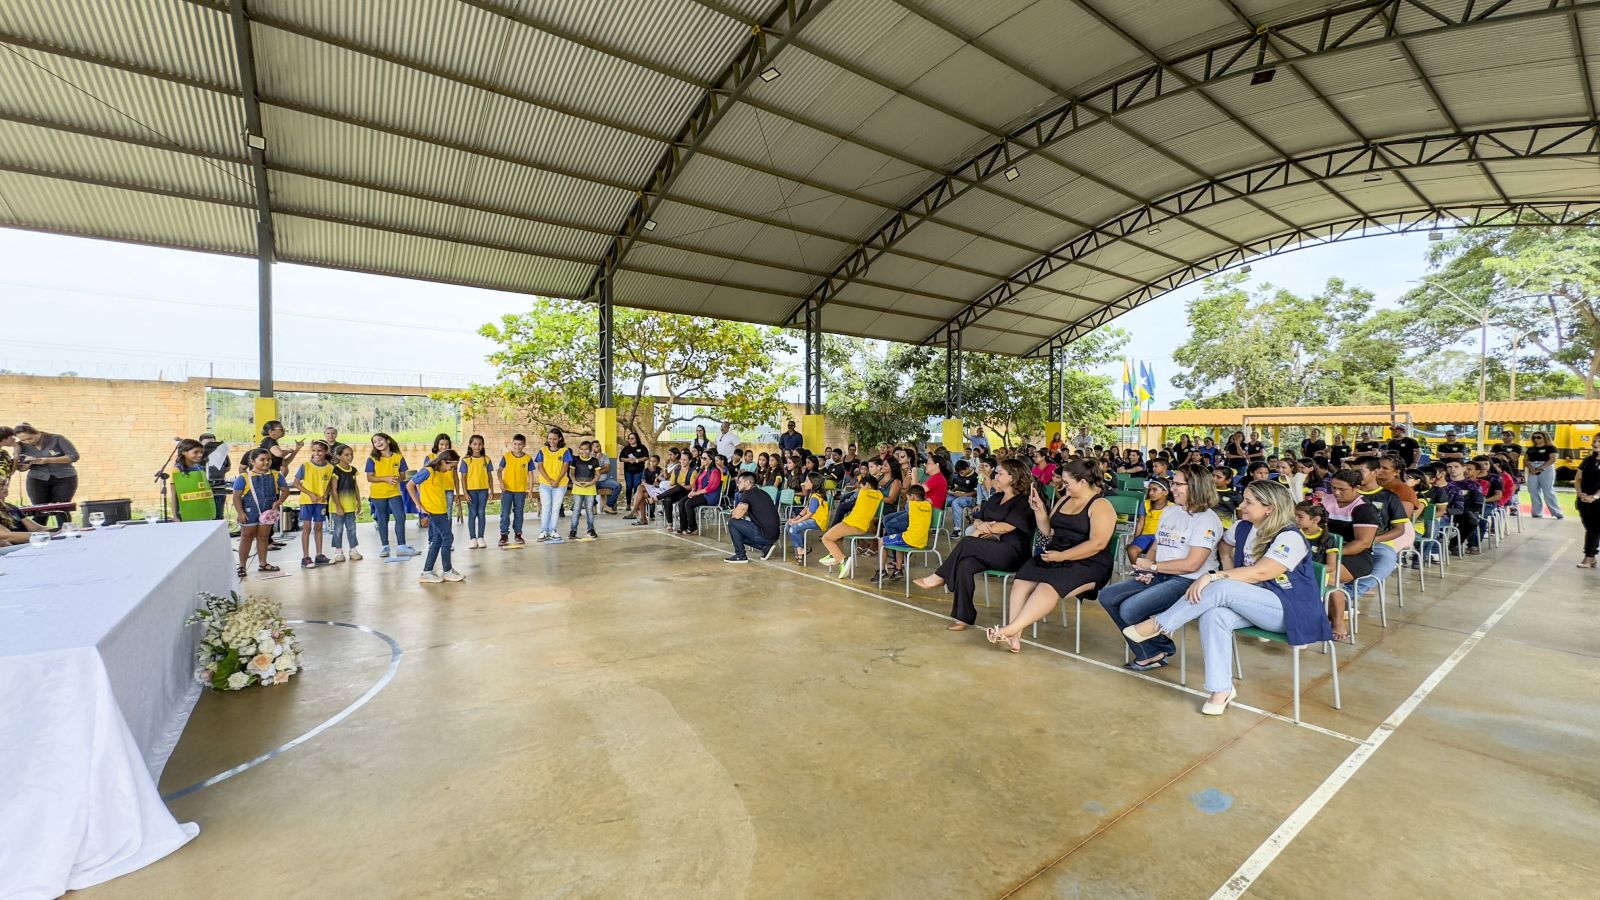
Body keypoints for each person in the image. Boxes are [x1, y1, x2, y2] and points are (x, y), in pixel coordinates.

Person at [1122, 480, 1330, 714]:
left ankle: (1161, 623)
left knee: (1221, 586)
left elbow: (1263, 572)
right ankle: (1221, 690)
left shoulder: (1289, 537)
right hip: (1253, 603)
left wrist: (1213, 576)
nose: (1242, 505)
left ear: (1269, 508)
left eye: (1249, 502)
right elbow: (1224, 544)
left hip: (1289, 611)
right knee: (1214, 615)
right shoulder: (1243, 527)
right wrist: (1228, 564)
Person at [1100, 464, 1224, 670]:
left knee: (1130, 609)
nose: (1173, 488)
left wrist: (1154, 567)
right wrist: (1147, 569)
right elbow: (1157, 545)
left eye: (1177, 484)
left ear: (1195, 486)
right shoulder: (1171, 511)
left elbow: (1192, 564)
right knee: (1108, 596)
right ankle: (1152, 650)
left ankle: (1156, 648)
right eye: (1173, 483)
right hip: (1161, 574)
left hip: (1189, 581)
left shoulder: (1207, 519)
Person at [987, 458, 1116, 652]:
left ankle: (1011, 630)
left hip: (1089, 562)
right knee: (1021, 580)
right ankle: (1015, 638)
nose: (1063, 486)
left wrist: (1062, 557)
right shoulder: (1064, 499)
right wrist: (1039, 510)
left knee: (1047, 587)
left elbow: (1097, 544)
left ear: (1082, 482)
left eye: (1067, 483)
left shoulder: (1101, 505)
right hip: (1056, 554)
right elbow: (1048, 531)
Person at [914, 459, 1035, 631]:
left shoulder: (1023, 501)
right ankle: (963, 617)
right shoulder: (996, 497)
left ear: (1013, 477)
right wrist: (979, 525)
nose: (996, 475)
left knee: (969, 541)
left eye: (1001, 473)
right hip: (990, 547)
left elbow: (1009, 526)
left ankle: (940, 576)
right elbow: (978, 516)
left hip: (1012, 552)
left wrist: (984, 529)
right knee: (965, 565)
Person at [1320, 469, 1383, 640]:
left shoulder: (1364, 510)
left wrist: (1331, 553)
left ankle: (1338, 621)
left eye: (1342, 489)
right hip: (1327, 551)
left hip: (1356, 557)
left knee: (1328, 577)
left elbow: (1363, 543)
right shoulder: (1326, 501)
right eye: (1333, 488)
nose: (1336, 492)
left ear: (1356, 488)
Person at [1295, 500, 1352, 641]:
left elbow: (1331, 566)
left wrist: (1309, 571)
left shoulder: (1328, 539)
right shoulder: (1293, 534)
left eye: (1300, 517)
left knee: (1335, 590)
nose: (1296, 520)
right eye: (1295, 516)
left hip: (1318, 575)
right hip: (1295, 573)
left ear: (1315, 520)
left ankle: (1338, 622)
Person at [408, 449, 464, 583]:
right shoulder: (428, 471)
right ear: (444, 462)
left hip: (441, 511)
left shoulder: (439, 473)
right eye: (451, 467)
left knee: (437, 541)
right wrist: (419, 505)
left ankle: (427, 572)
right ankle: (447, 571)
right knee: (448, 537)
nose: (451, 470)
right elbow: (410, 485)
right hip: (433, 512)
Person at [818, 474, 883, 579]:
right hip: (862, 527)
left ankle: (842, 560)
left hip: (851, 524)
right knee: (836, 536)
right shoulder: (879, 495)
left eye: (861, 486)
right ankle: (835, 555)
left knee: (826, 538)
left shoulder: (862, 492)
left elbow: (851, 498)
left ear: (866, 485)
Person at [233, 448, 286, 577]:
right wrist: (240, 513)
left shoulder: (276, 475)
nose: (266, 462)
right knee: (246, 537)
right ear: (252, 461)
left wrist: (279, 501)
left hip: (268, 512)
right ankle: (241, 566)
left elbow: (285, 490)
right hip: (249, 512)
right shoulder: (244, 477)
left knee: (263, 537)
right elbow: (236, 496)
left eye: (268, 459)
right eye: (262, 460)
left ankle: (263, 564)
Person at [13, 423, 80, 521]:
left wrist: (47, 460)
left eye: (30, 438)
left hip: (64, 477)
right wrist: (27, 462)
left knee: (61, 509)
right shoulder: (20, 446)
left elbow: (74, 456)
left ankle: (66, 532)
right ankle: (39, 534)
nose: (27, 442)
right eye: (23, 440)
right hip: (37, 479)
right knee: (40, 510)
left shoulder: (57, 439)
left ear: (37, 433)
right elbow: (21, 469)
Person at [365, 433, 416, 558]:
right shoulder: (372, 459)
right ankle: (385, 547)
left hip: (394, 492)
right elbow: (369, 477)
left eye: (380, 440)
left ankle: (401, 546)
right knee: (383, 519)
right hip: (378, 494)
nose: (378, 443)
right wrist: (386, 479)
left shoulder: (398, 457)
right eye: (375, 442)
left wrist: (398, 478)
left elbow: (404, 475)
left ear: (387, 441)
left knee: (400, 517)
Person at [877, 484, 934, 581]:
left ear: (913, 497)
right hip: (922, 541)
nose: (907, 501)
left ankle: (882, 571)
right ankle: (898, 570)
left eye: (908, 498)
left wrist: (909, 502)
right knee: (900, 535)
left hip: (911, 539)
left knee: (881, 541)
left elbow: (908, 507)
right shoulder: (928, 505)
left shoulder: (911, 505)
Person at [293, 440, 334, 568]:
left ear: (326, 451)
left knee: (319, 527)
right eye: (314, 450)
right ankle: (305, 557)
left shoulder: (330, 468)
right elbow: (296, 483)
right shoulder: (305, 466)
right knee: (307, 528)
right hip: (307, 501)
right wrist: (310, 494)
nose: (317, 453)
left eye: (320, 450)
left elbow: (330, 486)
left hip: (321, 502)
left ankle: (319, 555)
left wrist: (326, 494)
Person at [725, 471, 781, 563]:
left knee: (733, 523)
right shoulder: (761, 492)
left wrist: (735, 511)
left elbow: (737, 515)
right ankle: (765, 547)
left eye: (739, 482)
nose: (737, 485)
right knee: (738, 534)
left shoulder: (747, 494)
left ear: (747, 483)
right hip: (774, 534)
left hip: (765, 535)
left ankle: (740, 555)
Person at [534, 428, 573, 543]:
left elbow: (565, 467)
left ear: (560, 438)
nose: (552, 441)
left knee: (555, 508)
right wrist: (549, 480)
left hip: (560, 484)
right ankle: (544, 531)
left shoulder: (565, 451)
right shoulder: (543, 450)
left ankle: (553, 530)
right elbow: (540, 466)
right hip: (545, 484)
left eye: (554, 439)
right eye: (550, 438)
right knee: (546, 507)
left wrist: (557, 481)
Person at [327, 443, 362, 562]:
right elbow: (334, 490)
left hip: (350, 505)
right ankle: (338, 551)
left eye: (351, 455)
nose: (350, 457)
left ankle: (353, 549)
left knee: (352, 528)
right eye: (346, 455)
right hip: (338, 507)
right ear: (339, 456)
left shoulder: (353, 470)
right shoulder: (336, 470)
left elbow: (356, 487)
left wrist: (358, 502)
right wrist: (338, 506)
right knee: (338, 529)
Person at [458, 435, 493, 549]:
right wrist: (465, 493)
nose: (477, 446)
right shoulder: (466, 460)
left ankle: (481, 537)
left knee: (481, 513)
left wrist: (491, 490)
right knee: (472, 514)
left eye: (480, 444)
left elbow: (490, 477)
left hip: (483, 490)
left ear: (483, 445)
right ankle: (472, 538)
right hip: (471, 491)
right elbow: (463, 478)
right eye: (475, 444)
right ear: (470, 445)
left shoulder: (486, 459)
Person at [785, 473, 829, 564]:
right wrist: (795, 519)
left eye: (807, 481)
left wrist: (796, 522)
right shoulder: (812, 494)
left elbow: (809, 514)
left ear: (814, 483)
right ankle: (801, 548)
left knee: (793, 528)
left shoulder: (816, 496)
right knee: (789, 526)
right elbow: (805, 509)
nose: (804, 483)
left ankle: (800, 550)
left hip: (818, 521)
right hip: (812, 519)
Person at [170, 438, 217, 522]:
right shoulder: (177, 470)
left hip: (202, 511)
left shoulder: (198, 468)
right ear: (184, 452)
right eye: (195, 452)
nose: (199, 455)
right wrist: (175, 516)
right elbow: (173, 494)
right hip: (185, 512)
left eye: (201, 452)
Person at [497, 434, 532, 546]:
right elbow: (499, 471)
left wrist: (530, 489)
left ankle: (518, 534)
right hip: (507, 490)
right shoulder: (506, 456)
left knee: (518, 512)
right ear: (512, 444)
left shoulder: (527, 458)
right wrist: (501, 482)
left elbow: (531, 475)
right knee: (505, 513)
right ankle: (504, 535)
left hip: (520, 491)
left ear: (524, 445)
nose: (517, 447)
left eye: (520, 444)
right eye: (515, 444)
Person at [1126, 477, 1170, 565]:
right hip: (1145, 536)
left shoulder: (1172, 507)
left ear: (1165, 492)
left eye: (1154, 490)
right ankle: (1140, 571)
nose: (1150, 493)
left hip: (1161, 537)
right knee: (1132, 550)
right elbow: (1140, 523)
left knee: (1155, 554)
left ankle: (1152, 573)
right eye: (1150, 490)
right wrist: (1136, 539)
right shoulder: (1145, 504)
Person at [678, 453, 724, 535]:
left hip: (710, 496)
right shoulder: (702, 470)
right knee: (681, 502)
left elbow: (711, 488)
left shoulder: (715, 471)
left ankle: (693, 527)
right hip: (700, 494)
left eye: (704, 458)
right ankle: (683, 526)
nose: (702, 459)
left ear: (710, 460)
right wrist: (693, 491)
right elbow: (696, 484)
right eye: (701, 458)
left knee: (688, 504)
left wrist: (696, 493)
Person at [567, 440, 601, 542]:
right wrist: (575, 482)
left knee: (589, 510)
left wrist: (591, 483)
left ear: (590, 450)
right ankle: (573, 530)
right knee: (576, 510)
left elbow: (597, 475)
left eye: (586, 449)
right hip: (577, 489)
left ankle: (591, 529)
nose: (583, 451)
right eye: (581, 449)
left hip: (590, 489)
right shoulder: (575, 460)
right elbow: (571, 473)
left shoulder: (594, 461)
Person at [1524, 431, 1562, 519]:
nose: (1536, 439)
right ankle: (1536, 512)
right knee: (1533, 490)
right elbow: (1525, 460)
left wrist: (1540, 468)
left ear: (1545, 437)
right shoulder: (1530, 449)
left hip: (1546, 468)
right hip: (1532, 467)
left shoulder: (1551, 448)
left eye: (1538, 437)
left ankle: (1556, 512)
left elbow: (1553, 459)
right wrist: (1531, 468)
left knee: (1548, 490)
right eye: (1534, 437)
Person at [1575, 447, 1599, 568]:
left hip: (1596, 499)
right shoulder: (1588, 460)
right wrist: (1579, 492)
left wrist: (1595, 496)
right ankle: (1590, 557)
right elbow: (1578, 478)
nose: (1595, 443)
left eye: (1599, 441)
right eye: (1594, 441)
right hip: (1585, 500)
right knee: (1591, 528)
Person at [423, 434, 457, 514]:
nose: (444, 447)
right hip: (435, 489)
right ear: (437, 445)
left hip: (449, 488)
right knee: (434, 512)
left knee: (448, 512)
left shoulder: (452, 458)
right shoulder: (430, 457)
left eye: (447, 444)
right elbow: (425, 475)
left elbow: (455, 476)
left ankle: (447, 526)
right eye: (441, 444)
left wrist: (458, 492)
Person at [618, 431, 649, 508]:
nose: (630, 440)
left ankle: (636, 504)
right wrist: (628, 460)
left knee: (636, 487)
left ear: (636, 439)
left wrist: (637, 460)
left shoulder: (642, 447)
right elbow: (621, 458)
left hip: (639, 471)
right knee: (628, 487)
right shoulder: (626, 448)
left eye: (632, 438)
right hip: (628, 471)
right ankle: (628, 504)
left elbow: (646, 457)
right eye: (629, 438)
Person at [629, 454, 663, 524]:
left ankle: (635, 510)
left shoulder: (660, 471)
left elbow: (660, 483)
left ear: (658, 462)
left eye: (654, 461)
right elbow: (643, 482)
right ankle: (643, 519)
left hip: (656, 490)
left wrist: (656, 482)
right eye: (651, 461)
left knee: (640, 488)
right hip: (648, 489)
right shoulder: (646, 470)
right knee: (641, 494)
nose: (652, 463)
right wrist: (650, 486)